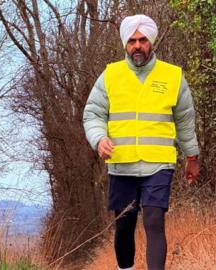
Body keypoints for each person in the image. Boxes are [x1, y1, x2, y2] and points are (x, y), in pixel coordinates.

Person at [83, 14, 200, 270]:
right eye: (132, 41)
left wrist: (191, 157)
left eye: (143, 40)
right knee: (125, 223)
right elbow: (92, 113)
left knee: (154, 220)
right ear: (125, 43)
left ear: (152, 41)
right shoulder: (110, 75)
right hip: (121, 165)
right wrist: (99, 138)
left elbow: (185, 120)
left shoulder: (173, 76)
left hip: (158, 165)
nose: (137, 45)